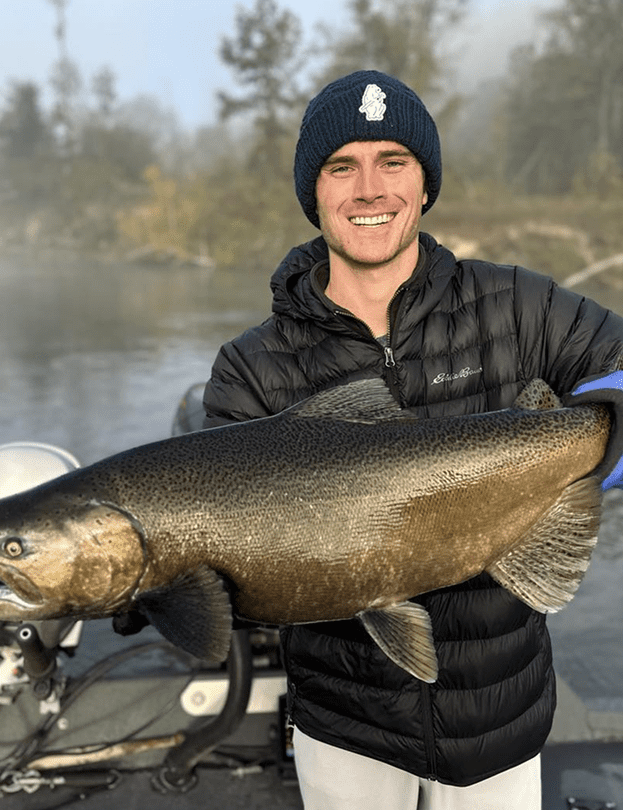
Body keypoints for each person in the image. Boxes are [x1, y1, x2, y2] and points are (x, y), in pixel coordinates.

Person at [202, 69, 623, 809]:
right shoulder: (250, 368)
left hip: (500, 717)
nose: (369, 189)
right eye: (342, 167)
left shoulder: (520, 304)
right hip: (343, 725)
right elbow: (232, 563)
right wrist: (174, 590)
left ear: (424, 184)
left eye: (392, 160)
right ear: (315, 193)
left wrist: (593, 455)